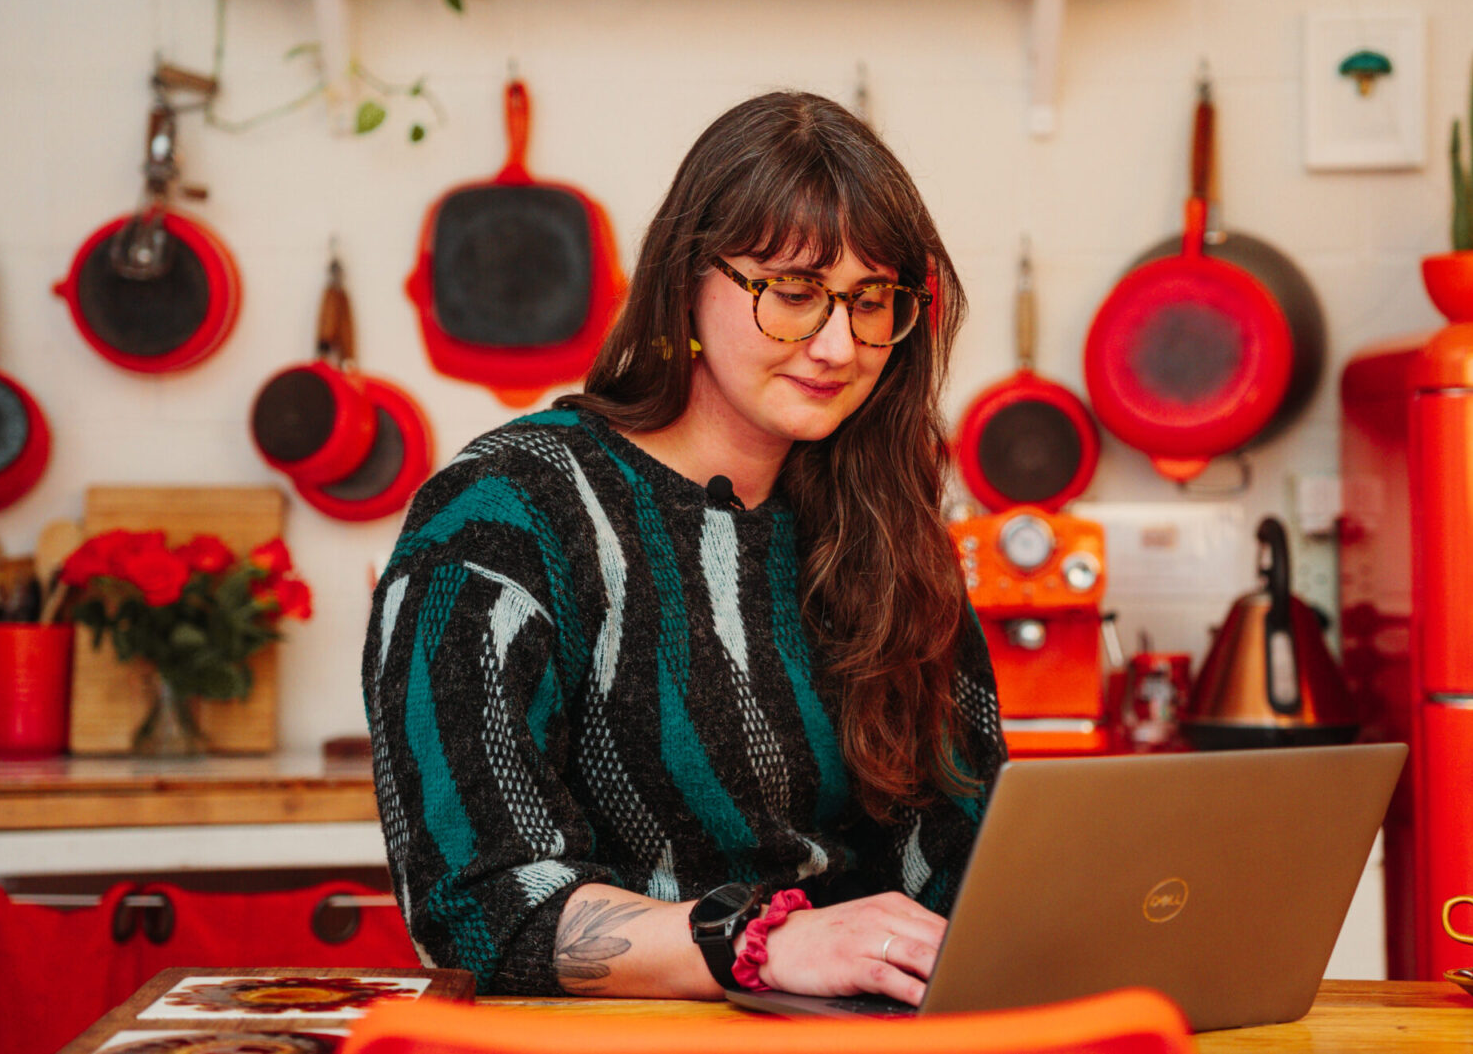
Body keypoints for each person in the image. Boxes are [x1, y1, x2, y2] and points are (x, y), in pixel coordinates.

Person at [363, 90, 1007, 1004]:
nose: (838, 343)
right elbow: (477, 907)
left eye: (873, 301)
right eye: (792, 293)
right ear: (685, 285)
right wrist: (760, 940)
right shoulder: (503, 513)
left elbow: (965, 849)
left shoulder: (889, 526)